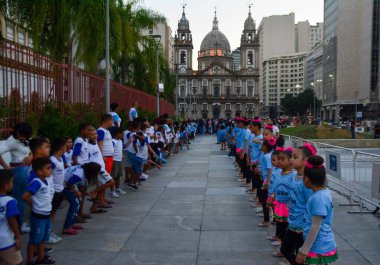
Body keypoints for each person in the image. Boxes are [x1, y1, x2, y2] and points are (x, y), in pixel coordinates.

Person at [296, 156, 338, 265]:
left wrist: (303, 250)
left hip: (318, 245)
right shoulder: (323, 192)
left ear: (307, 179)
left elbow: (315, 226)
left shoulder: (319, 198)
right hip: (318, 243)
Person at [280, 143, 316, 265]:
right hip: (292, 220)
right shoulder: (295, 175)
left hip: (301, 226)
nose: (291, 159)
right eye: (291, 157)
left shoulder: (307, 182)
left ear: (305, 160)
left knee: (299, 254)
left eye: (295, 157)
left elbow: (311, 205)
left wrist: (306, 226)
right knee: (286, 250)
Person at [0, 122, 33, 233]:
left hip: (26, 169)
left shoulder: (24, 139)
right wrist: (6, 167)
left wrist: (30, 157)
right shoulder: (11, 142)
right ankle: (19, 224)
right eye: (20, 134)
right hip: (19, 170)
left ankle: (21, 223)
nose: (21, 137)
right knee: (20, 199)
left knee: (22, 197)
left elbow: (31, 150)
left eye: (24, 135)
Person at [23, 158, 55, 265]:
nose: (51, 170)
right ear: (39, 171)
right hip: (38, 216)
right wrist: (34, 206)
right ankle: (30, 261)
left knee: (41, 239)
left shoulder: (44, 181)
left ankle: (41, 258)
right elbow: (25, 196)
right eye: (48, 168)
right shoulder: (36, 182)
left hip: (46, 216)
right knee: (34, 240)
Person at [269, 147, 296, 256]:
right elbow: (276, 186)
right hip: (279, 204)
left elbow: (294, 190)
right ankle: (283, 248)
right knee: (281, 225)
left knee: (288, 229)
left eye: (283, 159)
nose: (279, 161)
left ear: (290, 161)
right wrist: (273, 194)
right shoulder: (279, 173)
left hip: (288, 206)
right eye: (279, 159)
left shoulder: (293, 175)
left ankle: (287, 251)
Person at [0, 169, 23, 265]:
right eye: (12, 182)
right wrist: (18, 237)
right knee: (17, 262)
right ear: (6, 185)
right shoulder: (9, 201)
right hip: (6, 241)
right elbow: (12, 220)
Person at [47, 138, 66, 244]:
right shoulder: (52, 160)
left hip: (60, 190)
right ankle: (47, 234)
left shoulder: (61, 158)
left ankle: (50, 232)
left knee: (53, 213)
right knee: (50, 213)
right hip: (53, 191)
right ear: (60, 147)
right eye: (64, 145)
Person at [257, 138, 276, 227]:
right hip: (270, 180)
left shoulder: (266, 156)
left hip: (268, 181)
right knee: (271, 200)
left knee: (265, 200)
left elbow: (269, 169)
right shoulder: (270, 155)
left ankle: (266, 220)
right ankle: (275, 219)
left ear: (265, 147)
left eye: (262, 145)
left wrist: (267, 182)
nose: (261, 146)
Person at [110, 128, 127, 196]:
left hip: (119, 160)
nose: (122, 135)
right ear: (117, 134)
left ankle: (118, 188)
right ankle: (112, 191)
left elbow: (123, 147)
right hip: (114, 160)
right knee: (113, 176)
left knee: (118, 176)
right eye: (121, 134)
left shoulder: (120, 141)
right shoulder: (113, 141)